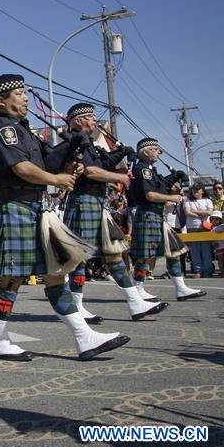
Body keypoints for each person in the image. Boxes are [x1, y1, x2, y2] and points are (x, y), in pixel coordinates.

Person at [0, 75, 129, 363]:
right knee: (12, 278)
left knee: (55, 273)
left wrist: (73, 148)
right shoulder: (4, 129)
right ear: (2, 100)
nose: (25, 98)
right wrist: (57, 179)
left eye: (25, 93)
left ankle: (83, 337)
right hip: (14, 206)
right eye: (20, 93)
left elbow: (46, 160)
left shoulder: (25, 130)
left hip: (35, 208)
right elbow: (22, 168)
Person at [61, 103, 167, 322]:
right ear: (78, 120)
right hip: (83, 202)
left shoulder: (88, 142)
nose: (94, 121)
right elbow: (90, 171)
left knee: (114, 254)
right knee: (79, 258)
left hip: (96, 204)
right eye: (90, 117)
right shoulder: (72, 141)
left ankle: (135, 302)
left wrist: (119, 153)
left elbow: (101, 163)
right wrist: (120, 177)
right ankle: (77, 306)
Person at [129, 138, 206, 301]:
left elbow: (161, 185)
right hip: (148, 214)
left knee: (174, 251)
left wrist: (175, 176)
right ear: (145, 151)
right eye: (156, 149)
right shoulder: (143, 170)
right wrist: (174, 198)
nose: (159, 152)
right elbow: (150, 195)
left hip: (157, 216)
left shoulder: (151, 170)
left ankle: (181, 288)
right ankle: (138, 288)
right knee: (145, 255)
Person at [183, 183, 214, 278]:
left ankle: (207, 270)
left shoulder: (208, 200)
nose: (195, 191)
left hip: (205, 227)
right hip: (192, 227)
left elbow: (209, 212)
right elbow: (187, 213)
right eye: (193, 189)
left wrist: (195, 212)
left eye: (197, 189)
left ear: (202, 190)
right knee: (194, 251)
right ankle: (197, 270)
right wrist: (202, 214)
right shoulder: (188, 200)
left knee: (206, 250)